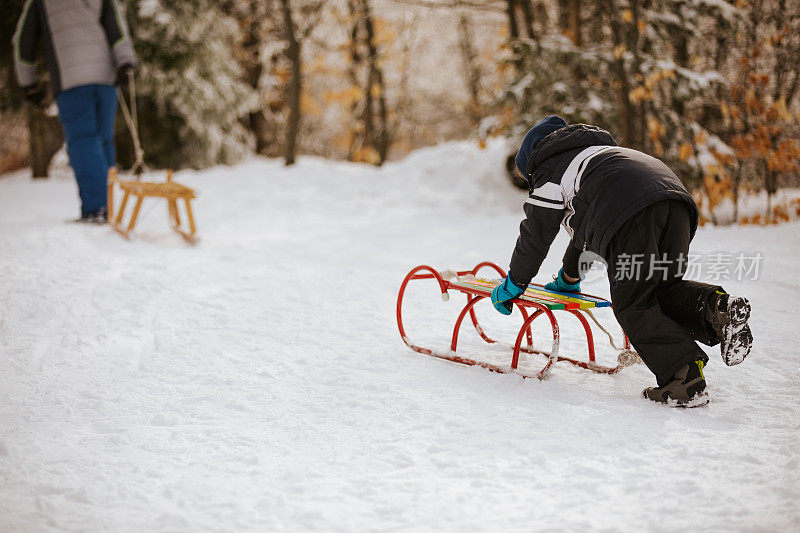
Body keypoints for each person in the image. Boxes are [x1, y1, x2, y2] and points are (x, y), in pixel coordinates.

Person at [490, 116, 753, 407]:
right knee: (660, 292)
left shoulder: (549, 168)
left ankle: (685, 381)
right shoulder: (597, 156)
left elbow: (536, 234)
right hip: (676, 202)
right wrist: (568, 280)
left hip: (630, 210)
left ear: (531, 160)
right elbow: (582, 236)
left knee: (633, 303)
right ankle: (717, 309)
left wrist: (514, 282)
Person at [13, 0, 137, 223]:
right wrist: (126, 62)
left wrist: (27, 83)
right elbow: (117, 27)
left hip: (70, 79)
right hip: (105, 77)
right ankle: (107, 206)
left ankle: (97, 209)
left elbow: (24, 42)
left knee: (83, 141)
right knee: (103, 140)